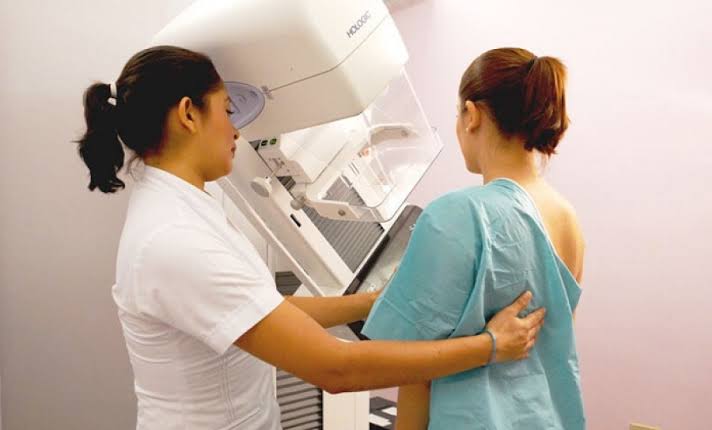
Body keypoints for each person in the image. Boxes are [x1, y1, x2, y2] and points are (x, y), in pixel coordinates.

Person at [76, 45, 546, 430]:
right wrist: (490, 346)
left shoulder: (191, 208)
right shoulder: (174, 239)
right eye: (227, 109)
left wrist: (374, 301)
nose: (236, 128)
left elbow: (264, 307)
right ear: (188, 114)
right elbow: (334, 369)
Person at [363, 47, 586, 430]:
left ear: (471, 115)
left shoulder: (456, 215)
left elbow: (415, 374)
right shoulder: (568, 219)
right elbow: (555, 349)